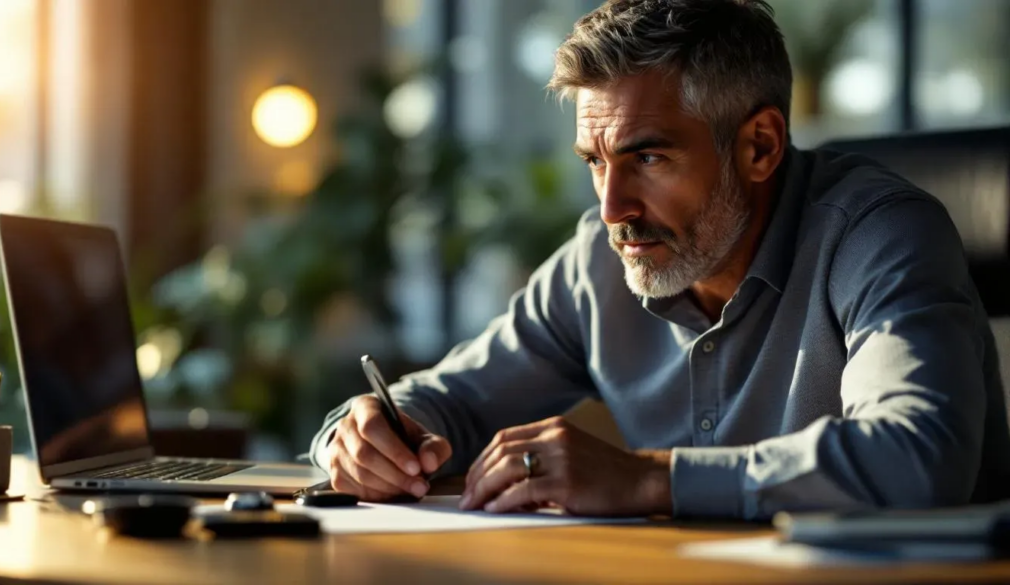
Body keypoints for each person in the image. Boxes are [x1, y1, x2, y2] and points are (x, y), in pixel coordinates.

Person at [309, 0, 1010, 519]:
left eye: (648, 157)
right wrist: (363, 434)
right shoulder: (596, 262)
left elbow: (920, 457)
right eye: (595, 161)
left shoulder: (881, 234)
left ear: (760, 146)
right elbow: (448, 401)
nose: (613, 208)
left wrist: (652, 478)